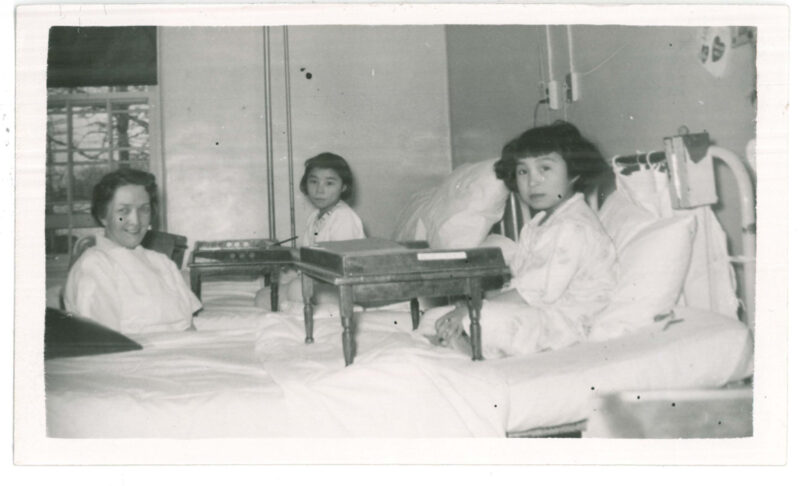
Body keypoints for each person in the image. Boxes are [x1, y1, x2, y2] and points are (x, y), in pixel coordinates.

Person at [434, 121, 617, 357]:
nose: (533, 181)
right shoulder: (539, 224)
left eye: (545, 169)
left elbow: (533, 293)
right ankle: (464, 340)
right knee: (442, 316)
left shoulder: (573, 226)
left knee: (477, 318)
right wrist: (469, 305)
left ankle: (470, 345)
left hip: (568, 325)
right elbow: (519, 283)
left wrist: (473, 308)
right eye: (523, 171)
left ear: (574, 172)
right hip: (540, 311)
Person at [63, 168, 202, 334]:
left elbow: (189, 327)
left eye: (144, 209)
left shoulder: (162, 262)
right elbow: (103, 343)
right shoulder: (95, 265)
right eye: (123, 211)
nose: (135, 221)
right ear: (103, 216)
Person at [255, 152, 365, 308]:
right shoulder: (315, 217)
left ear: (344, 187)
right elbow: (309, 256)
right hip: (318, 283)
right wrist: (283, 254)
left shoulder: (344, 216)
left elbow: (339, 264)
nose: (319, 190)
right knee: (263, 296)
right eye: (313, 182)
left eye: (329, 183)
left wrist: (292, 255)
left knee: (296, 289)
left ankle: (305, 308)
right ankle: (298, 305)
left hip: (342, 286)